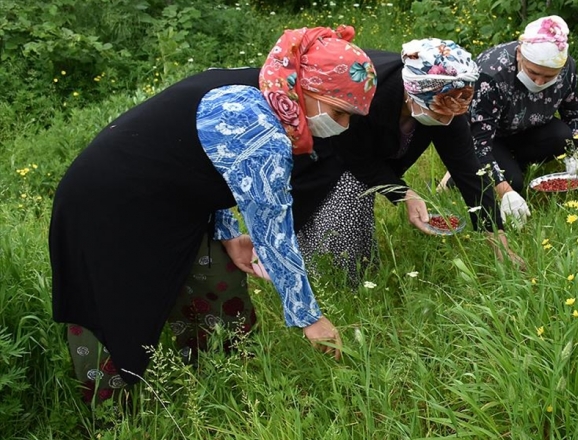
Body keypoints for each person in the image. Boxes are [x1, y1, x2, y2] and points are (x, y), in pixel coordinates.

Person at [48, 26, 377, 403]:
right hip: (105, 209)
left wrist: (227, 235)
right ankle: (112, 416)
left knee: (217, 280)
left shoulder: (266, 86)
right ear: (307, 86)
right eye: (339, 112)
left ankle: (225, 383)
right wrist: (309, 317)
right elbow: (273, 231)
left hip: (171, 202)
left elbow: (208, 165)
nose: (342, 125)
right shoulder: (258, 124)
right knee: (112, 307)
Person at [286, 38, 524, 286]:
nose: (447, 120)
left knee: (352, 224)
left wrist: (499, 243)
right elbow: (353, 155)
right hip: (326, 148)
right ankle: (322, 276)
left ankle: (349, 272)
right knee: (340, 201)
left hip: (362, 152)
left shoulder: (447, 102)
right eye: (439, 113)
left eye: (453, 114)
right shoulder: (368, 96)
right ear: (412, 95)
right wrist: (403, 193)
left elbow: (469, 171)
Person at [440, 15, 578, 226]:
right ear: (519, 54)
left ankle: (506, 164)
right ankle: (457, 175)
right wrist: (506, 192)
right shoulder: (491, 75)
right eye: (533, 72)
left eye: (549, 78)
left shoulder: (568, 70)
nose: (539, 81)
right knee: (514, 183)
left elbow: (574, 114)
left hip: (526, 128)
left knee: (563, 137)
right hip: (488, 137)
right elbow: (479, 142)